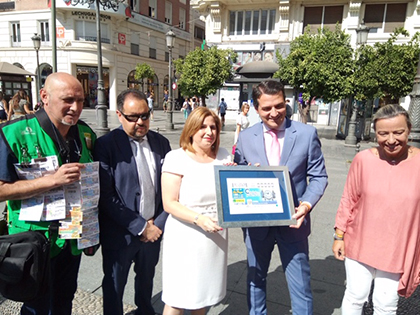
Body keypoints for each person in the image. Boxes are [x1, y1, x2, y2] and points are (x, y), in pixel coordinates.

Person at [0, 72, 96, 314]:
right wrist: (51, 181)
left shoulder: (86, 135)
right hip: (33, 242)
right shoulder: (12, 133)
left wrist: (92, 234)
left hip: (72, 237)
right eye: (67, 100)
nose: (76, 108)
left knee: (64, 300)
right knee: (36, 307)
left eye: (81, 101)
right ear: (44, 96)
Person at [234, 80, 328, 315]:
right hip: (257, 226)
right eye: (266, 108)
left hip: (293, 223)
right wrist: (242, 172)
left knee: (301, 288)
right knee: (255, 282)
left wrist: (305, 205)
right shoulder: (245, 138)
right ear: (256, 108)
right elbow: (236, 174)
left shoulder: (306, 134)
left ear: (285, 103)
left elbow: (319, 177)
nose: (274, 113)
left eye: (279, 106)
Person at [333, 104, 420, 314]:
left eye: (398, 132)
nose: (391, 140)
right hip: (360, 241)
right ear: (375, 133)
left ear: (409, 129)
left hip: (399, 247)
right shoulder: (363, 160)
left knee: (386, 304)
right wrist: (339, 235)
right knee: (355, 296)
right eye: (383, 134)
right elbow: (349, 199)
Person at [94, 89, 171, 315]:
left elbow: (172, 188)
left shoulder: (161, 143)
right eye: (133, 117)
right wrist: (140, 227)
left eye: (145, 115)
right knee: (115, 285)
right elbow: (106, 196)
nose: (140, 121)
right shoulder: (105, 145)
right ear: (119, 115)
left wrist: (157, 224)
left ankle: (145, 311)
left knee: (147, 279)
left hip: (154, 229)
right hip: (121, 233)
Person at [161, 107, 231, 315]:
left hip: (216, 235)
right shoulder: (176, 158)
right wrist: (199, 219)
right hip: (186, 234)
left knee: (202, 296)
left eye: (213, 127)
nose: (209, 132)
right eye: (203, 127)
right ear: (191, 129)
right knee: (177, 297)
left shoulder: (224, 156)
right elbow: (169, 203)